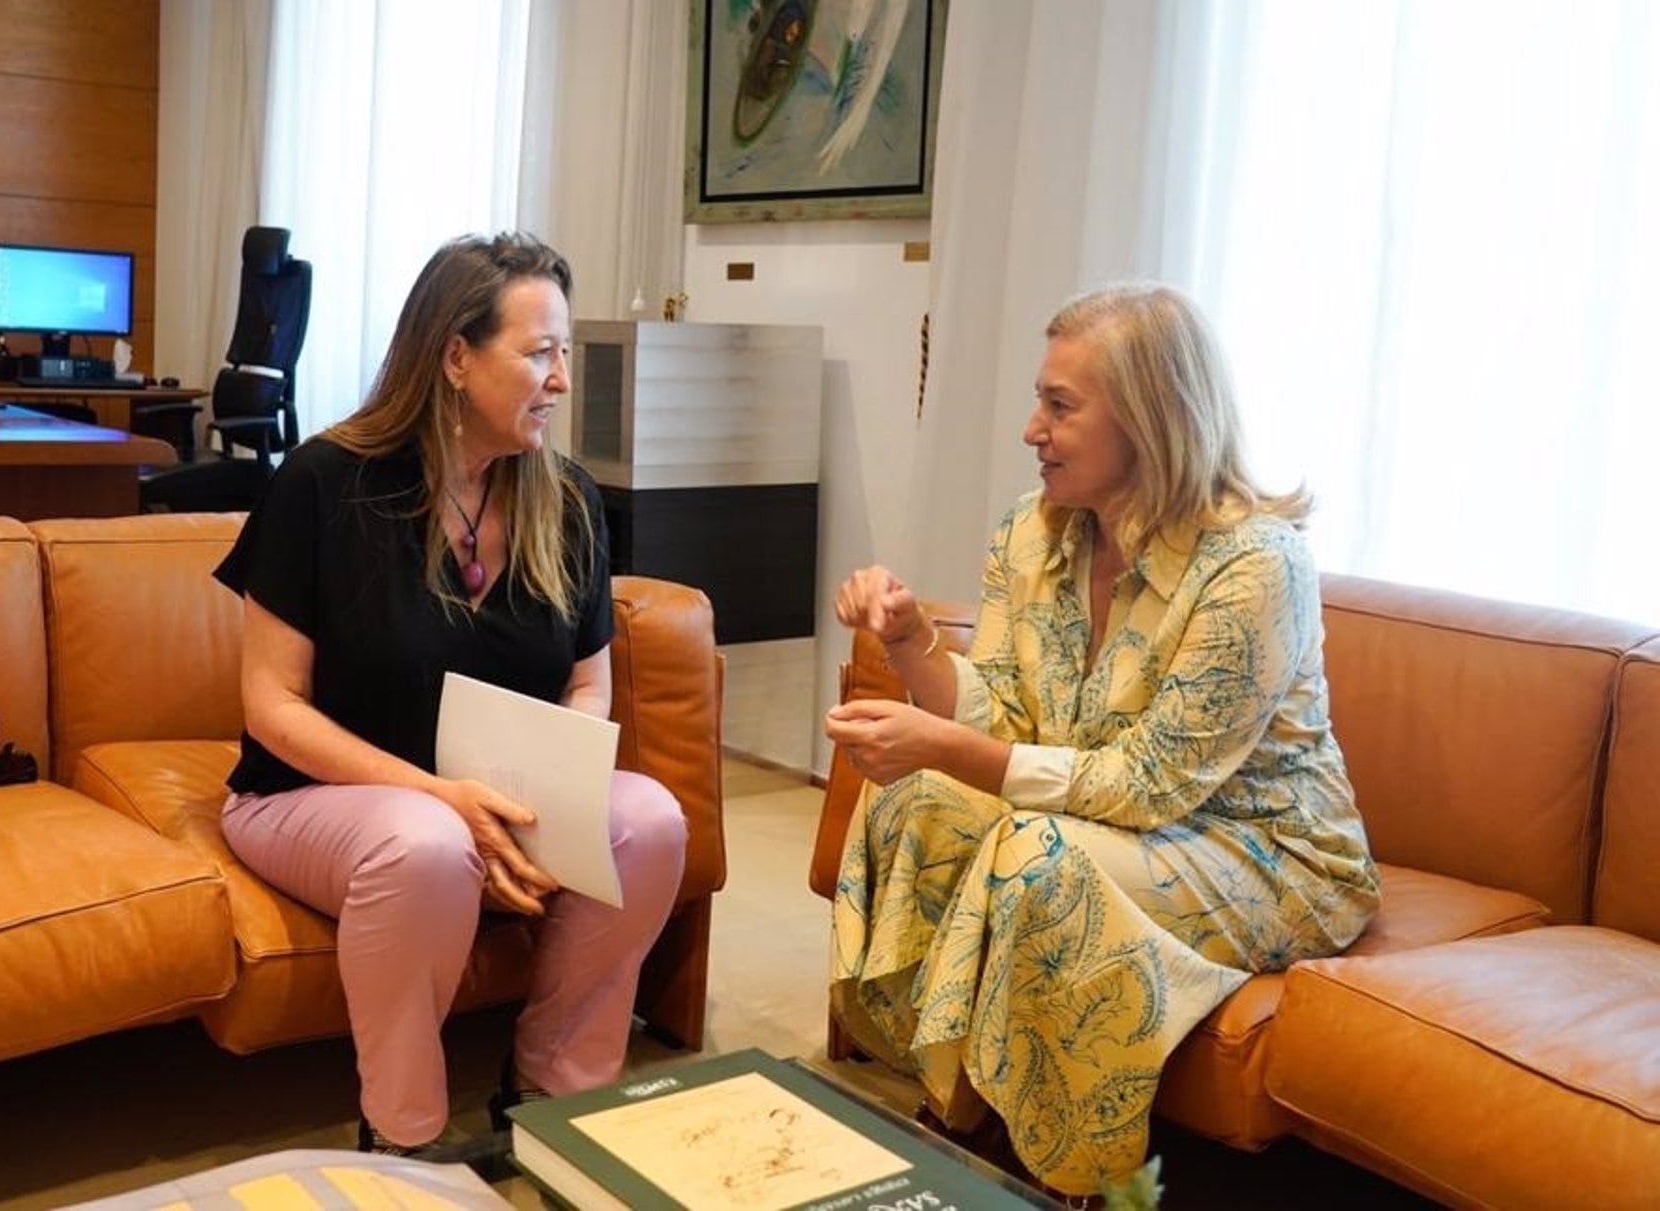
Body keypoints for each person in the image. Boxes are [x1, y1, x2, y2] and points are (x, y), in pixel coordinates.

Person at [825, 283, 1380, 1197]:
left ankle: (1071, 1175)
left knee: (1039, 858)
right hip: (1122, 819)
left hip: (1268, 848)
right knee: (918, 805)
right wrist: (909, 639)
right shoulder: (1032, 531)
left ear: (1152, 418)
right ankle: (960, 1122)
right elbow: (1002, 705)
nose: (1030, 430)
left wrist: (942, 746)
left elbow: (1153, 783)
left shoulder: (1254, 565)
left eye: (1059, 406)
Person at [212, 232, 688, 1156]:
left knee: (651, 820)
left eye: (565, 351)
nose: (561, 377)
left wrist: (544, 791)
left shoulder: (570, 500)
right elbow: (272, 704)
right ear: (457, 357)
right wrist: (444, 799)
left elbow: (589, 682)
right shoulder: (326, 482)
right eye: (538, 351)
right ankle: (405, 1131)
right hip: (311, 796)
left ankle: (557, 1090)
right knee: (427, 842)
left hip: (486, 798)